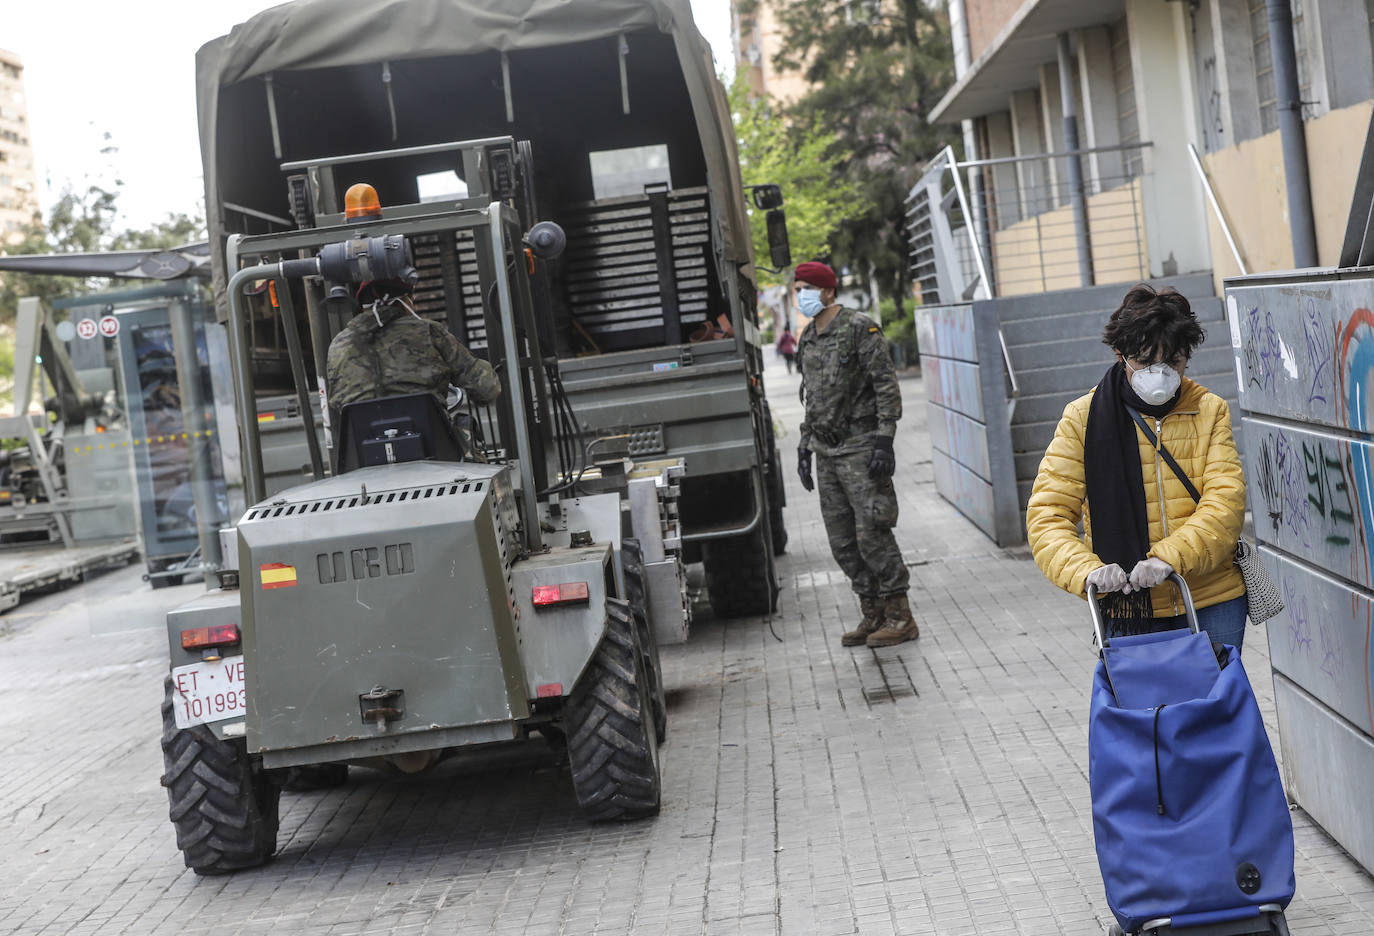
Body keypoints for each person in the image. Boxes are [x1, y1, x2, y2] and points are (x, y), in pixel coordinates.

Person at [1026, 284, 1248, 649]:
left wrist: (1168, 559)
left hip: (1209, 599)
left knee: (1213, 705)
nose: (1159, 374)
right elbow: (1047, 515)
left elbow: (1225, 504)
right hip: (1126, 609)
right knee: (1142, 706)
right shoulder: (1082, 419)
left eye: (1172, 361)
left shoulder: (1209, 410)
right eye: (1145, 362)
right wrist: (1088, 571)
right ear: (1120, 354)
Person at [794, 261, 918, 647]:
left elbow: (885, 384)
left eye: (806, 288)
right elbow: (811, 396)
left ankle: (900, 617)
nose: (801, 296)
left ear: (828, 291)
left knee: (873, 534)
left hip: (861, 447)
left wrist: (885, 439)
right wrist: (803, 444)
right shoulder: (808, 337)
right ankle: (873, 613)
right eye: (798, 289)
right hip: (825, 450)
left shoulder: (859, 327)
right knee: (843, 541)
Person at [326, 278, 502, 455]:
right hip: (436, 453)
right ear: (404, 301)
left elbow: (336, 404)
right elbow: (487, 389)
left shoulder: (338, 346)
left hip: (364, 459)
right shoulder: (428, 332)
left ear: (363, 307)